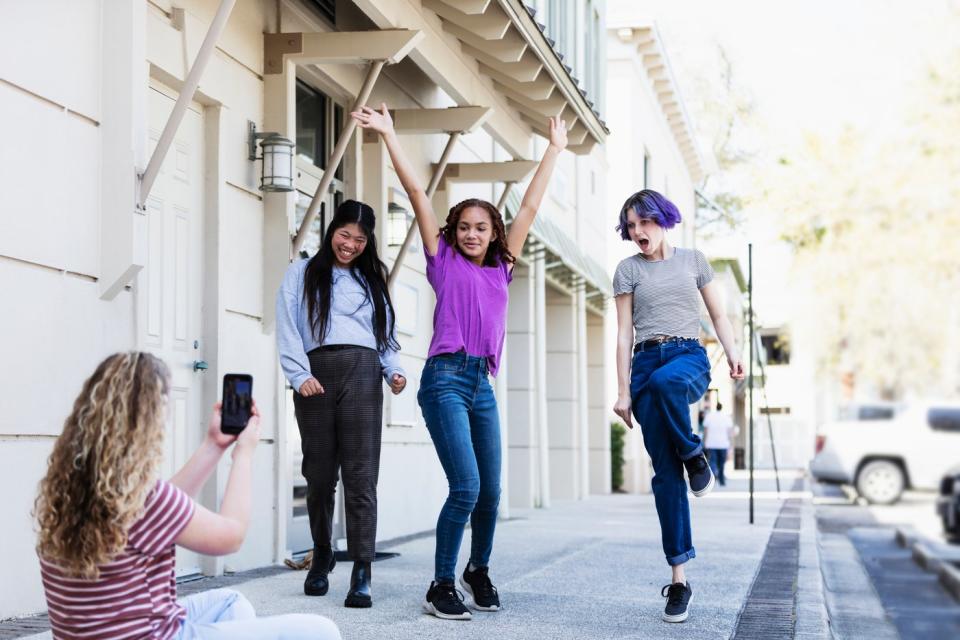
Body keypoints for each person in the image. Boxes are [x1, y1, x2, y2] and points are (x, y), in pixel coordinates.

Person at [353, 103, 567, 620]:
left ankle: (478, 570)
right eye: (465, 226)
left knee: (491, 491)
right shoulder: (441, 259)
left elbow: (530, 210)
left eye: (482, 227)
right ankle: (440, 585)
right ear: (454, 232)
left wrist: (554, 151)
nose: (472, 233)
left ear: (494, 233)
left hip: (482, 384)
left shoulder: (502, 268)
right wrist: (389, 134)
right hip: (445, 379)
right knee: (466, 486)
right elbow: (418, 194)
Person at [35, 352, 341, 639]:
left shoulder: (64, 495)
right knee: (320, 631)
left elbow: (164, 509)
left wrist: (214, 445)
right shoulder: (147, 500)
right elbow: (231, 536)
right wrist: (243, 453)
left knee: (231, 603)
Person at [611, 190, 745, 624]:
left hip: (688, 357)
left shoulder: (694, 260)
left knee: (669, 385)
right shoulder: (627, 270)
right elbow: (623, 334)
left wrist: (734, 352)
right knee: (665, 476)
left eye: (643, 223)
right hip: (644, 362)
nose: (637, 233)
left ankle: (694, 451)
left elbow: (719, 316)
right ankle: (680, 580)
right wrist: (623, 391)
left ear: (661, 220)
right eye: (630, 227)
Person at [276, 200, 407, 608]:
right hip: (316, 376)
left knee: (361, 476)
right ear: (332, 230)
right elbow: (287, 324)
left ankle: (362, 569)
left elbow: (385, 332)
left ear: (368, 244)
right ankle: (322, 555)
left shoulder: (372, 282)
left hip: (363, 373)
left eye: (360, 239)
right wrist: (300, 375)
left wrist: (393, 370)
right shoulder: (301, 272)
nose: (350, 244)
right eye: (344, 235)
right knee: (318, 476)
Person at [702, 401, 737, 486]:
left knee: (712, 461)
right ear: (721, 408)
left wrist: (704, 441)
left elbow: (706, 430)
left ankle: (713, 478)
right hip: (723, 444)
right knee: (722, 462)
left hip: (711, 443)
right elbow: (730, 432)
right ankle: (721, 480)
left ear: (716, 407)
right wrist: (731, 443)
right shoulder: (726, 417)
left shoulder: (709, 416)